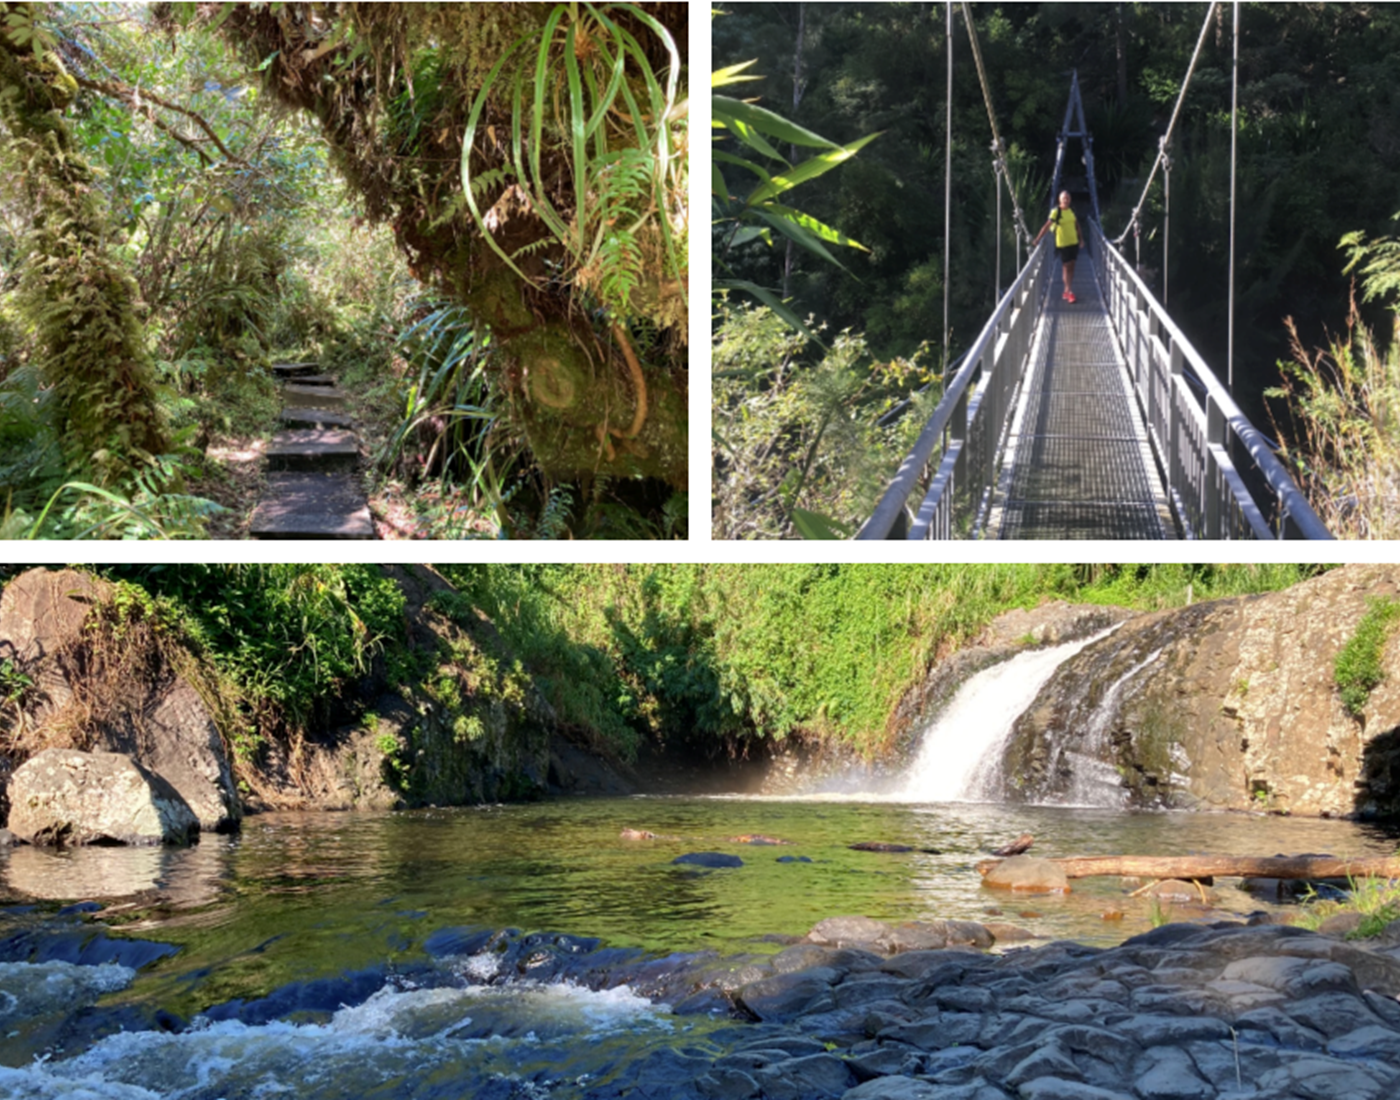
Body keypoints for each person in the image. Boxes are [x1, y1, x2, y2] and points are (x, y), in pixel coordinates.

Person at [1034, 191, 1081, 303]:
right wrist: (1038, 238)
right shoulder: (1056, 212)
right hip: (1063, 244)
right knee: (1066, 266)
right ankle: (1069, 292)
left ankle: (1066, 290)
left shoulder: (1071, 211)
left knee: (1072, 266)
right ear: (1060, 200)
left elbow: (1076, 225)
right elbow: (1047, 226)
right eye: (1064, 198)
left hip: (1074, 242)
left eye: (1068, 198)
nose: (1066, 200)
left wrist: (1081, 239)